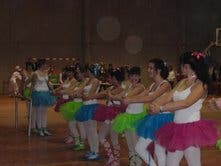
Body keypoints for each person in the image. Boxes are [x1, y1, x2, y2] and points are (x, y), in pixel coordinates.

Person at [150, 51, 218, 166]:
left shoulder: (200, 85)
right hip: (177, 128)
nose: (181, 67)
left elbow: (186, 103)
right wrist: (155, 104)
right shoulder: (182, 82)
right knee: (171, 163)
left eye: (184, 65)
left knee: (194, 163)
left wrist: (161, 108)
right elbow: (169, 96)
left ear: (191, 67)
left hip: (192, 129)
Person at [124, 58, 173, 166]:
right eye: (148, 68)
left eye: (151, 68)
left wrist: (130, 100)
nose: (148, 70)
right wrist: (127, 97)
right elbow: (141, 96)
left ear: (158, 70)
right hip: (154, 118)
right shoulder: (152, 85)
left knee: (152, 150)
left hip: (163, 119)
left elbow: (152, 97)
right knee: (152, 150)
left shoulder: (165, 85)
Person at [112, 66, 146, 166]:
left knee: (136, 142)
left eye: (136, 76)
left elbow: (126, 96)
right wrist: (115, 96)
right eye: (131, 75)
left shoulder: (141, 87)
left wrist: (115, 96)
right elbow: (120, 96)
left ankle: (138, 162)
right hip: (127, 116)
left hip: (137, 117)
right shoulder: (129, 86)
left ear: (139, 77)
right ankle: (132, 160)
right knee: (129, 141)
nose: (133, 78)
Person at [92, 68, 126, 165]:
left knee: (111, 138)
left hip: (115, 116)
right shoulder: (112, 88)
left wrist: (108, 93)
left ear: (116, 78)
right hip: (109, 115)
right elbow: (103, 94)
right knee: (104, 137)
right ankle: (113, 158)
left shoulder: (121, 89)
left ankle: (116, 160)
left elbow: (111, 96)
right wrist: (91, 96)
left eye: (112, 78)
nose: (110, 80)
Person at [74, 64, 100, 160]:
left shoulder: (96, 81)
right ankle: (92, 149)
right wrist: (79, 94)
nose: (87, 72)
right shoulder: (87, 80)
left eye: (88, 70)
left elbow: (89, 95)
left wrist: (79, 95)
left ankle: (96, 151)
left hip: (92, 106)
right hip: (85, 106)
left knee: (92, 130)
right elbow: (79, 92)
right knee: (88, 130)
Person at [31, 59, 55, 136]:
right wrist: (30, 94)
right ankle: (40, 129)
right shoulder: (35, 73)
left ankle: (44, 128)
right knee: (39, 112)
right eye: (45, 64)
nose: (46, 65)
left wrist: (52, 90)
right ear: (41, 65)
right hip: (38, 93)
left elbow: (48, 83)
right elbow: (33, 84)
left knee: (44, 112)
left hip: (46, 93)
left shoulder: (45, 73)